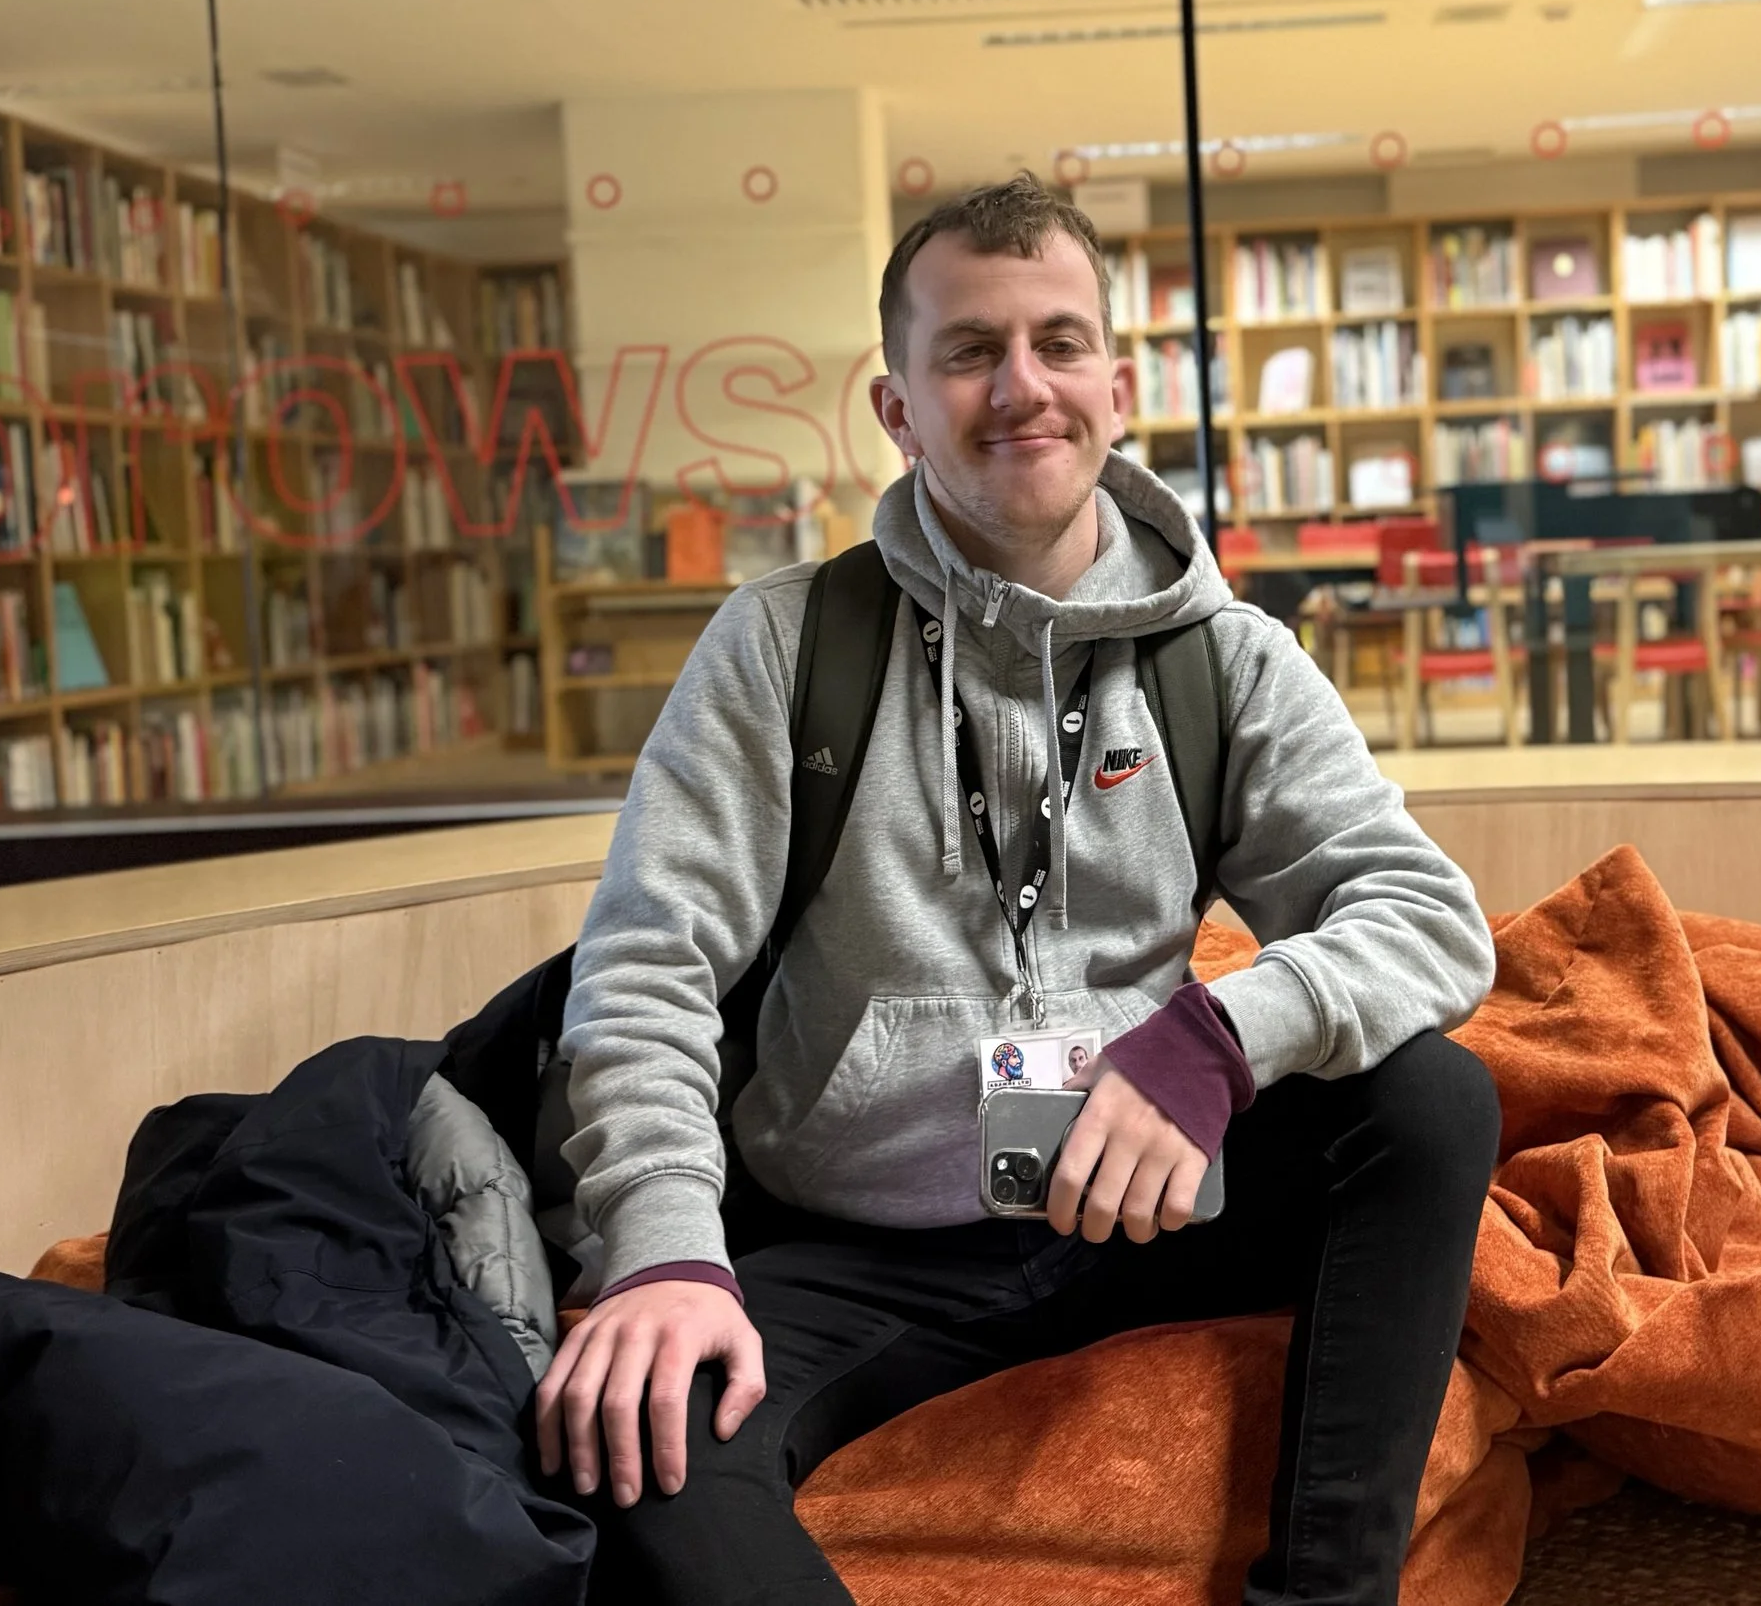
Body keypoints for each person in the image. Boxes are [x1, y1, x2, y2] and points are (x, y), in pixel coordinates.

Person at [537, 171, 1499, 1603]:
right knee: (643, 1434)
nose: (1022, 386)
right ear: (899, 406)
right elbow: (642, 971)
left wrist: (1218, 1040)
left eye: (1059, 343)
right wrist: (667, 1251)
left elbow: (1429, 918)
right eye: (970, 350)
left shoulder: (1220, 659)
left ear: (1120, 386)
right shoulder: (781, 647)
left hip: (1144, 1200)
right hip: (860, 1243)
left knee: (1429, 1103)